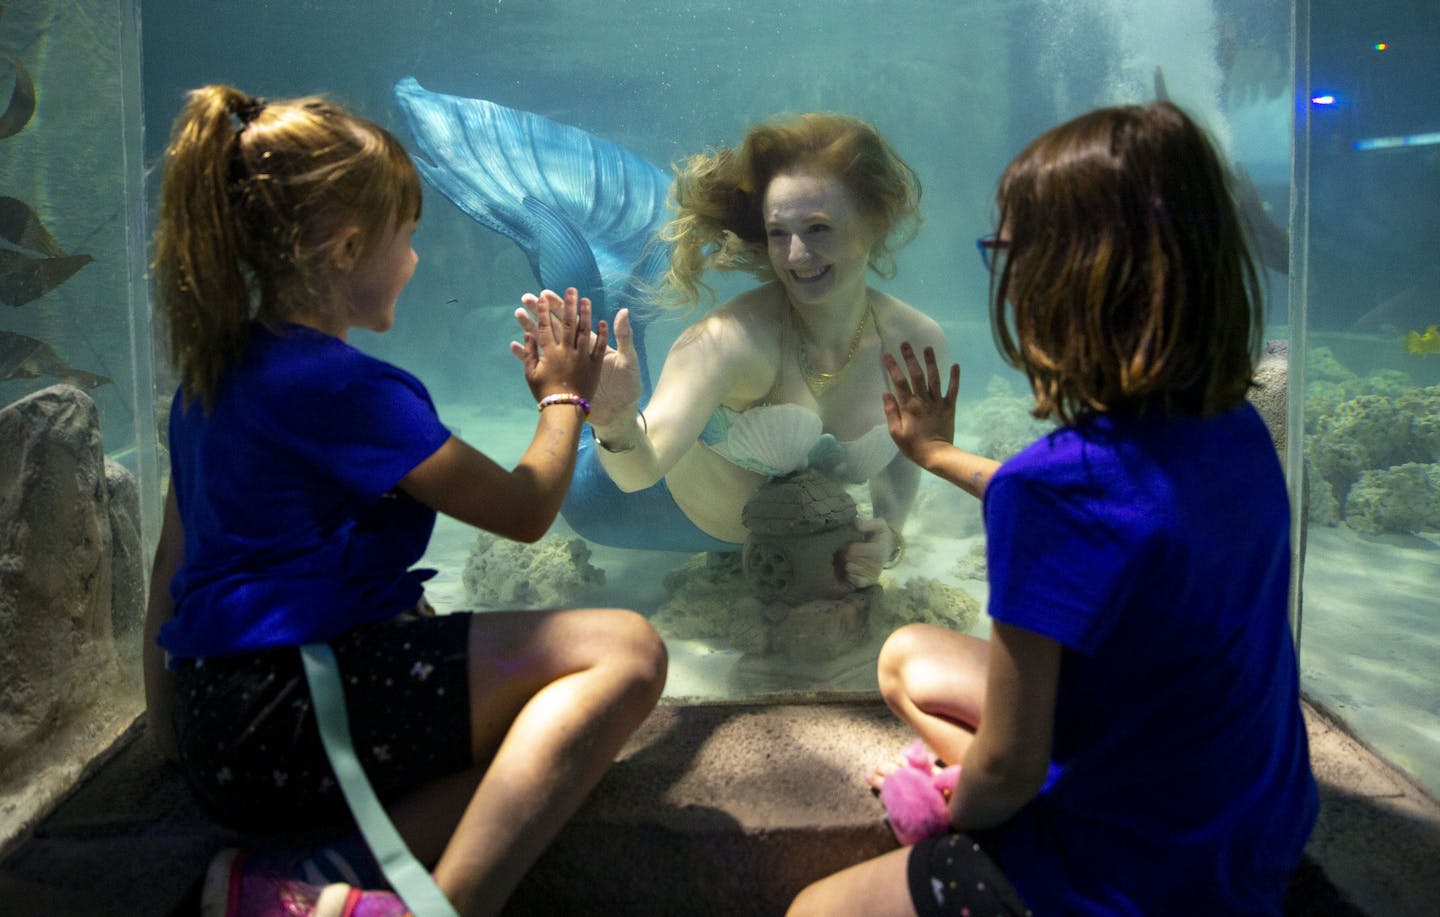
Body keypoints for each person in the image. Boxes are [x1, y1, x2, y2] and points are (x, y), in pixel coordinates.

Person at [142, 85, 667, 917]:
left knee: (497, 701)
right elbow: (526, 508)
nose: (417, 260)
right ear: (350, 247)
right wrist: (564, 398)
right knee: (626, 651)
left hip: (219, 728)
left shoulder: (210, 377)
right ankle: (438, 904)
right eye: (409, 236)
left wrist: (169, 735)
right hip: (296, 713)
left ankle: (314, 872)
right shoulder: (345, 387)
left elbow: (173, 565)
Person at [788, 101, 1318, 916]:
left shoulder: (1053, 489)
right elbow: (1111, 507)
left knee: (814, 910)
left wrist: (937, 805)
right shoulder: (1233, 426)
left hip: (1136, 882)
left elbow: (1008, 769)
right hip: (1255, 832)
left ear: (1059, 282)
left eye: (1004, 252)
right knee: (908, 656)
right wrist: (936, 454)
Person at [517, 112, 947, 586]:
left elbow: (908, 448)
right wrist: (615, 421)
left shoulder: (914, 342)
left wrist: (890, 531)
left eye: (819, 228)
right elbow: (638, 473)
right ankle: (576, 248)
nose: (796, 256)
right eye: (779, 233)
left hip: (777, 552)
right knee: (596, 314)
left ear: (873, 224)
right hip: (634, 509)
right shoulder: (728, 341)